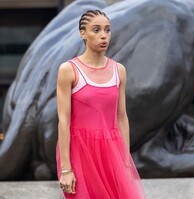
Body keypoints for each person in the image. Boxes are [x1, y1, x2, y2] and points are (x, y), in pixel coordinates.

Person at [56, 10, 146, 199]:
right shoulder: (69, 70)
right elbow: (63, 120)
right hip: (79, 154)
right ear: (83, 33)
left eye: (107, 30)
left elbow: (122, 117)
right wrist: (66, 169)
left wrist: (126, 162)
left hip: (111, 153)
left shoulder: (119, 70)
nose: (103, 35)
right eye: (96, 30)